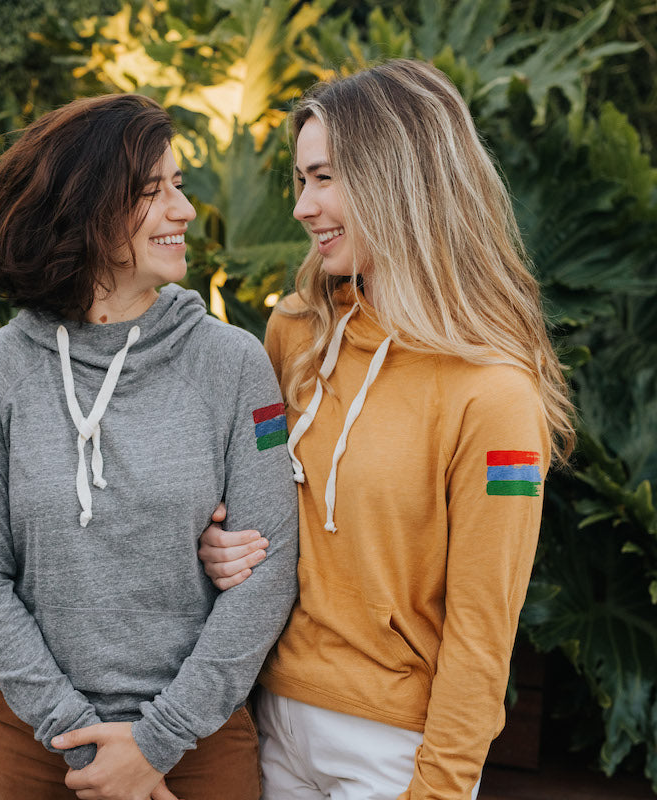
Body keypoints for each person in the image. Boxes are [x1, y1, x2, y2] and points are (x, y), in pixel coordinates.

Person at [198, 59, 575, 800]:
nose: (304, 206)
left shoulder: (496, 395)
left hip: (394, 751)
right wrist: (222, 541)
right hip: (270, 721)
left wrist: (440, 787)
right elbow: (261, 502)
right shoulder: (295, 332)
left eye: (326, 177)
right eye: (301, 179)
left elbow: (482, 628)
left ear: (402, 178)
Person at [0, 93, 298, 800]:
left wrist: (158, 742)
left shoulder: (235, 366)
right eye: (152, 191)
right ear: (85, 209)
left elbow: (269, 567)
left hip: (199, 738)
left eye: (180, 186)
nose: (184, 210)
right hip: (39, 741)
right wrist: (83, 747)